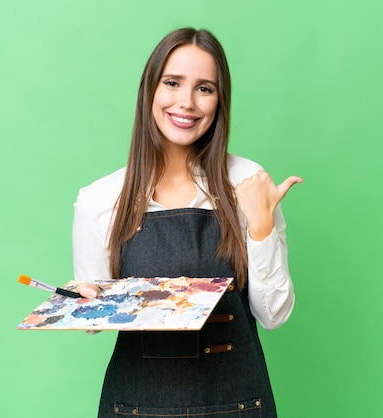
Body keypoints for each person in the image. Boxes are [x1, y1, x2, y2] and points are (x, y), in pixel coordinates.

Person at [71, 27, 301, 418]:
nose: (186, 102)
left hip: (239, 405)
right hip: (138, 407)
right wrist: (83, 299)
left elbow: (273, 315)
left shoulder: (247, 181)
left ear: (219, 101)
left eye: (204, 88)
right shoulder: (100, 198)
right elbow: (94, 321)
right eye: (173, 83)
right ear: (150, 91)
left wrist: (260, 229)